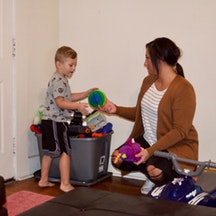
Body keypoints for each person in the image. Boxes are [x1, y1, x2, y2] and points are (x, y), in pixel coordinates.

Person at [100, 37, 198, 194]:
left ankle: (162, 179)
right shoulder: (148, 81)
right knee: (117, 158)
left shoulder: (183, 88)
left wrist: (150, 151)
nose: (145, 63)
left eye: (147, 58)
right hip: (148, 141)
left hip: (174, 145)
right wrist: (115, 109)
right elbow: (139, 113)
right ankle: (154, 174)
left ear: (159, 59)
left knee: (155, 170)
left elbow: (180, 130)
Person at [38, 46, 97, 192]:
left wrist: (85, 93)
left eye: (75, 65)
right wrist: (77, 107)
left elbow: (67, 97)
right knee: (65, 151)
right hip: (56, 121)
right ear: (59, 64)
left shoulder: (59, 79)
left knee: (49, 151)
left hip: (48, 120)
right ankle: (65, 183)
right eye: (71, 65)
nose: (74, 68)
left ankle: (43, 179)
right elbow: (61, 102)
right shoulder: (59, 80)